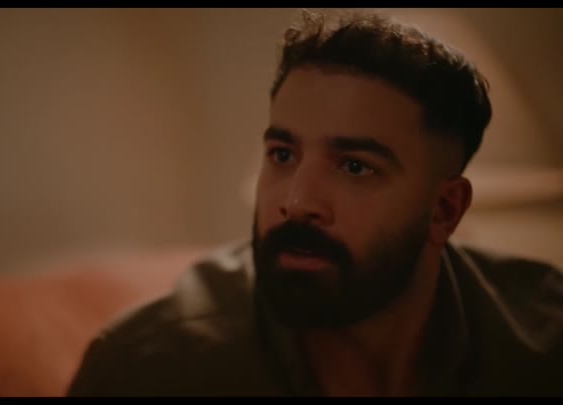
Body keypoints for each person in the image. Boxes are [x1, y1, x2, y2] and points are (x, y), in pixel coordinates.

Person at [66, 9, 563, 397]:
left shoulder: (543, 347)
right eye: (283, 155)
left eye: (355, 166)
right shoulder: (148, 369)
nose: (297, 202)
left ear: (445, 210)